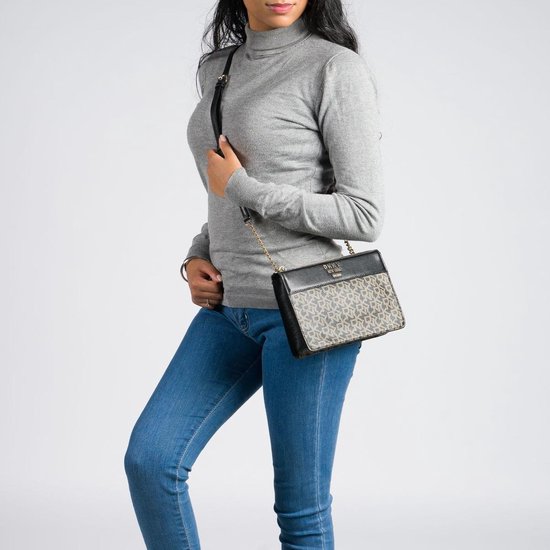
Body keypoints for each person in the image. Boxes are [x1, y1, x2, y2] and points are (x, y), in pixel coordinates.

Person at [124, 0, 384, 548]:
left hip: (310, 312)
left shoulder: (334, 67)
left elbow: (363, 215)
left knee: (301, 509)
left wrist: (245, 188)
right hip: (228, 310)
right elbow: (219, 191)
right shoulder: (216, 68)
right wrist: (198, 253)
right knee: (151, 461)